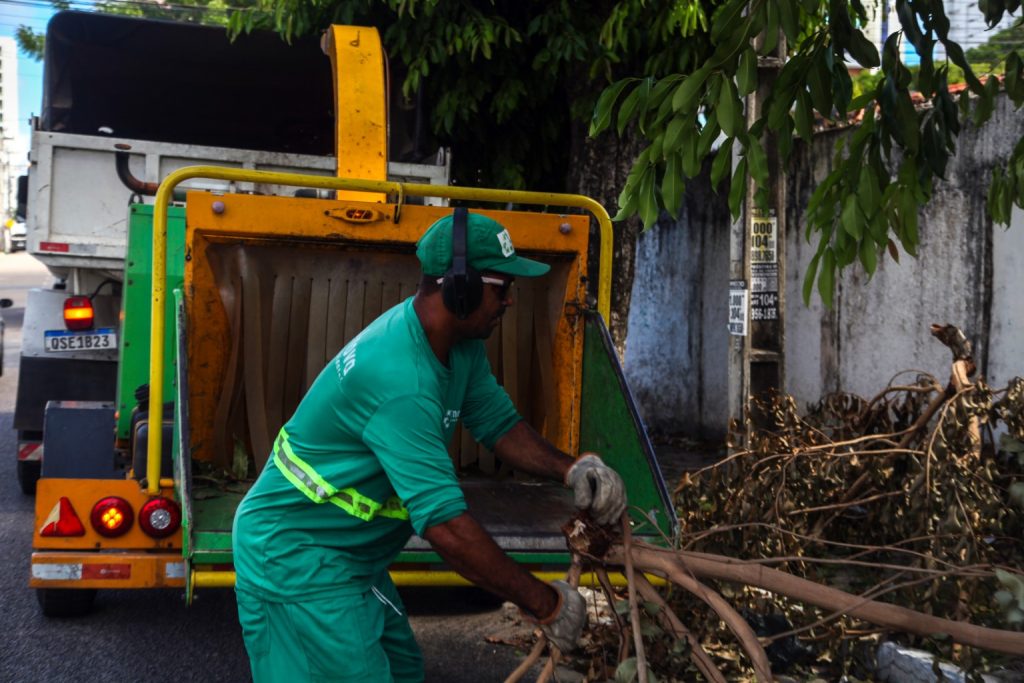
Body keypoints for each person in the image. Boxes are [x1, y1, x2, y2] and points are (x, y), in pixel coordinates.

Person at [232, 209, 627, 682]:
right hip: (296, 560)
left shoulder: (458, 345)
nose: (511, 302)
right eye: (502, 288)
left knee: (402, 671)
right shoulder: (401, 381)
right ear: (460, 287)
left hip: (351, 560)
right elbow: (446, 529)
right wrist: (545, 604)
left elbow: (498, 423)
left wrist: (573, 468)